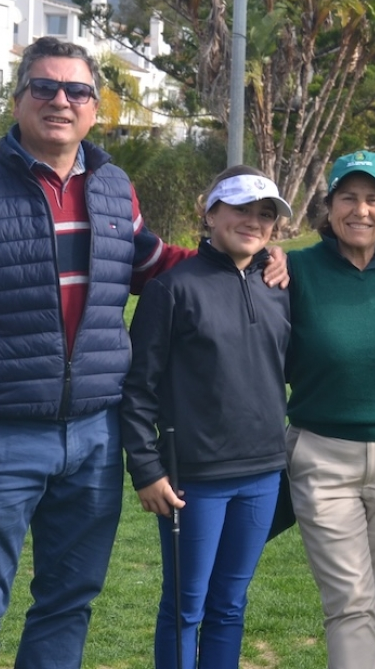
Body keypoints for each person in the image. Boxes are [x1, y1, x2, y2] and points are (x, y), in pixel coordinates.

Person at [0, 35, 285, 669]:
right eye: (44, 87)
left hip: (97, 435)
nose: (60, 101)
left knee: (69, 601)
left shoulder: (113, 187)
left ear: (95, 109)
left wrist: (249, 255)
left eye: (77, 90)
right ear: (18, 99)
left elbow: (153, 263)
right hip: (0, 434)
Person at [121, 166, 293, 669]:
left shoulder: (279, 285)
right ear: (211, 212)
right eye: (241, 209)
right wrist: (146, 469)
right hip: (193, 480)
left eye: (265, 214)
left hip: (263, 473)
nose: (253, 221)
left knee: (230, 605)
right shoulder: (171, 289)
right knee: (185, 607)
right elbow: (137, 389)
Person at [285, 150, 375, 668]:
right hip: (322, 456)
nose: (360, 211)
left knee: (370, 596)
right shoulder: (295, 269)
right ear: (329, 207)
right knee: (351, 600)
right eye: (348, 198)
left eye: (373, 199)